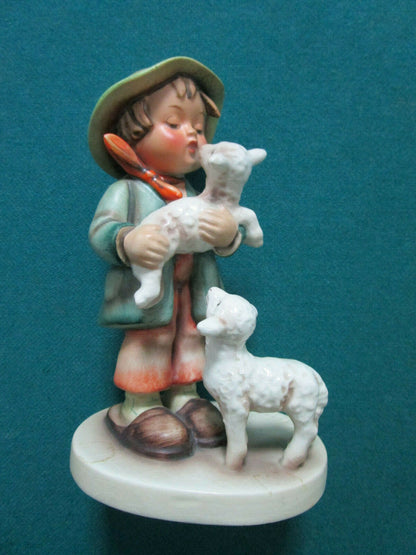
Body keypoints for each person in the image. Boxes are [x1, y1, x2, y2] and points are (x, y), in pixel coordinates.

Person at [88, 57, 243, 460]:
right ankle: (139, 405)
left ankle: (185, 395)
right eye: (174, 123)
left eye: (199, 127)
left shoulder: (200, 193)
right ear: (132, 135)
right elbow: (102, 230)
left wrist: (227, 233)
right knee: (151, 340)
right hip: (149, 297)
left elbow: (227, 229)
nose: (193, 134)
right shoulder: (128, 191)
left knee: (192, 337)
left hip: (192, 291)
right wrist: (129, 240)